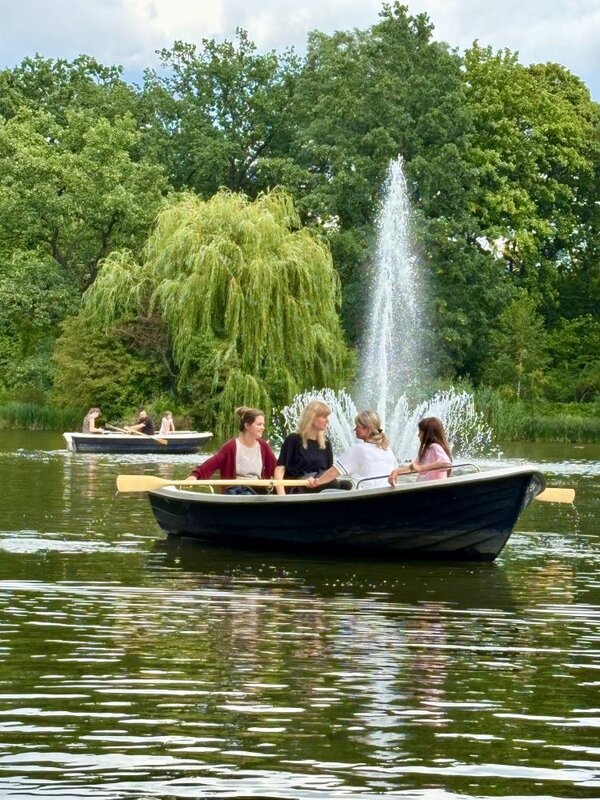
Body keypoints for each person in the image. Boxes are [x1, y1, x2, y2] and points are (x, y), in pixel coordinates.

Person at [187, 406, 277, 493]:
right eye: (259, 424)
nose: (263, 428)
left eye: (263, 424)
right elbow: (212, 463)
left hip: (258, 493)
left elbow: (277, 469)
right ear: (247, 425)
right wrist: (195, 476)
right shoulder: (231, 446)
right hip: (236, 492)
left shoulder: (263, 446)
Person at [307, 410, 397, 490]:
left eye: (357, 426)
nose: (354, 429)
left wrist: (316, 482)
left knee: (327, 491)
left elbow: (333, 472)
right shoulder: (387, 449)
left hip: (365, 496)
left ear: (367, 429)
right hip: (385, 493)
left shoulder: (359, 449)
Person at [274, 399, 333, 495]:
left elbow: (329, 471)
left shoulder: (326, 443)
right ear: (312, 418)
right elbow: (279, 470)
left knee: (343, 485)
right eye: (324, 417)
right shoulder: (293, 440)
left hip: (321, 488)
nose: (327, 421)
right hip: (298, 488)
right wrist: (282, 497)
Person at [388, 416, 452, 485]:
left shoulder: (435, 447)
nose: (418, 435)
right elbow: (414, 467)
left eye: (420, 432)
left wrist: (421, 468)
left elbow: (446, 463)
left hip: (433, 489)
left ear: (428, 434)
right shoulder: (426, 450)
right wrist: (397, 471)